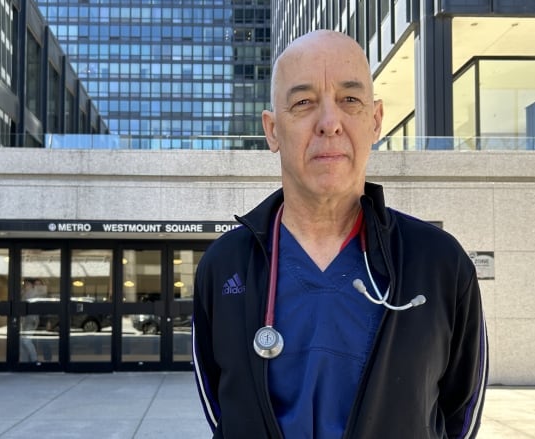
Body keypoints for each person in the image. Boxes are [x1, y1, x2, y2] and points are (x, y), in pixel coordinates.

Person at [192, 30, 487, 438]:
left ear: (376, 119)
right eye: (303, 103)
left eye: (350, 100)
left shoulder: (439, 264)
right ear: (272, 130)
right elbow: (221, 410)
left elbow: (460, 414)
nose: (329, 123)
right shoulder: (224, 268)